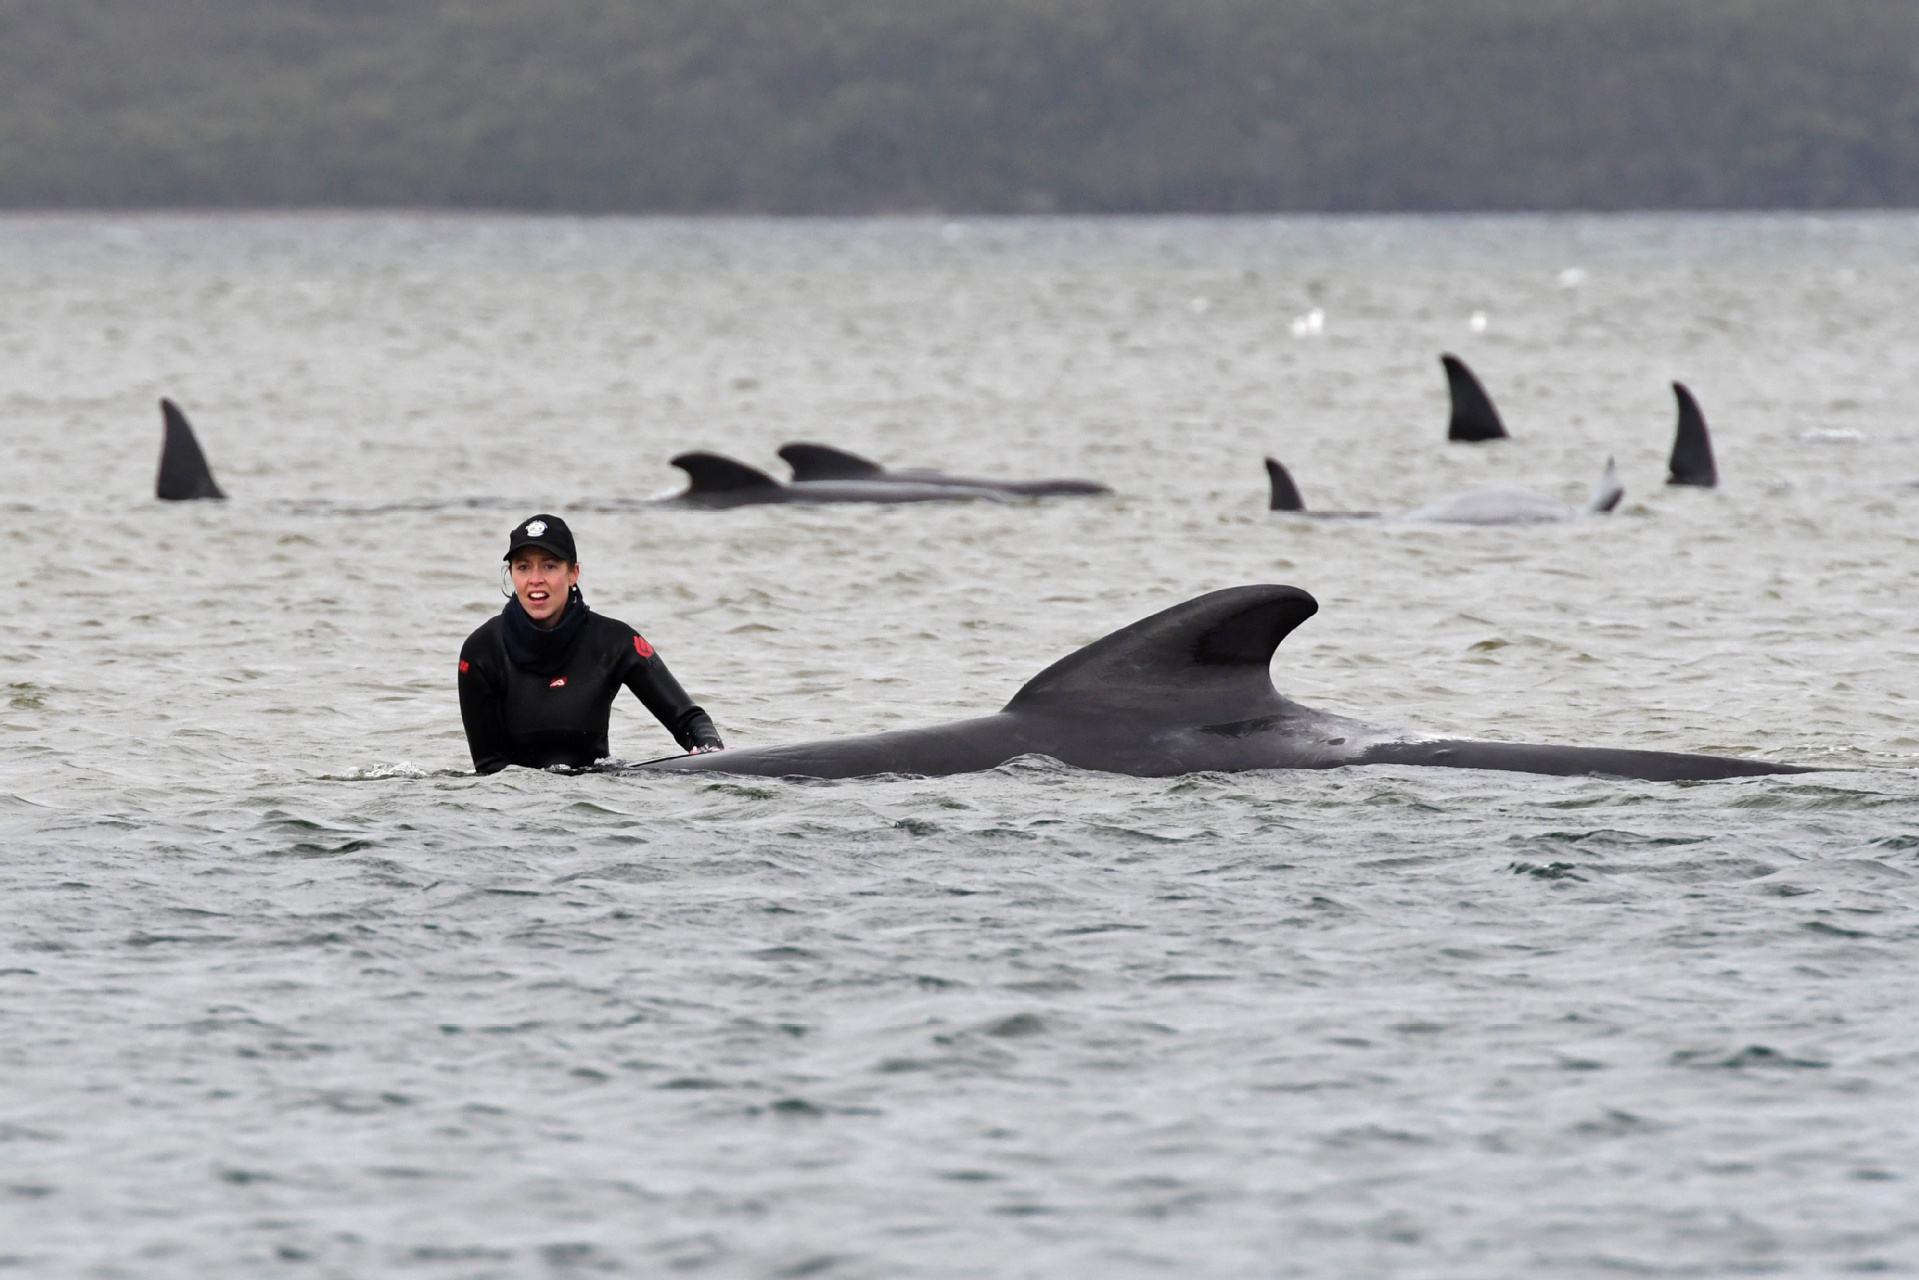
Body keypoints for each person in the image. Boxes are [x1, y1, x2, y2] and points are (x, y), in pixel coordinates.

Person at [458, 514, 723, 773]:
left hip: (594, 802)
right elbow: (489, 771)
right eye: (523, 567)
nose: (535, 579)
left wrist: (712, 752)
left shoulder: (614, 641)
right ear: (512, 574)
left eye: (549, 566)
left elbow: (689, 721)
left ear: (573, 573)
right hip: (516, 809)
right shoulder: (481, 651)